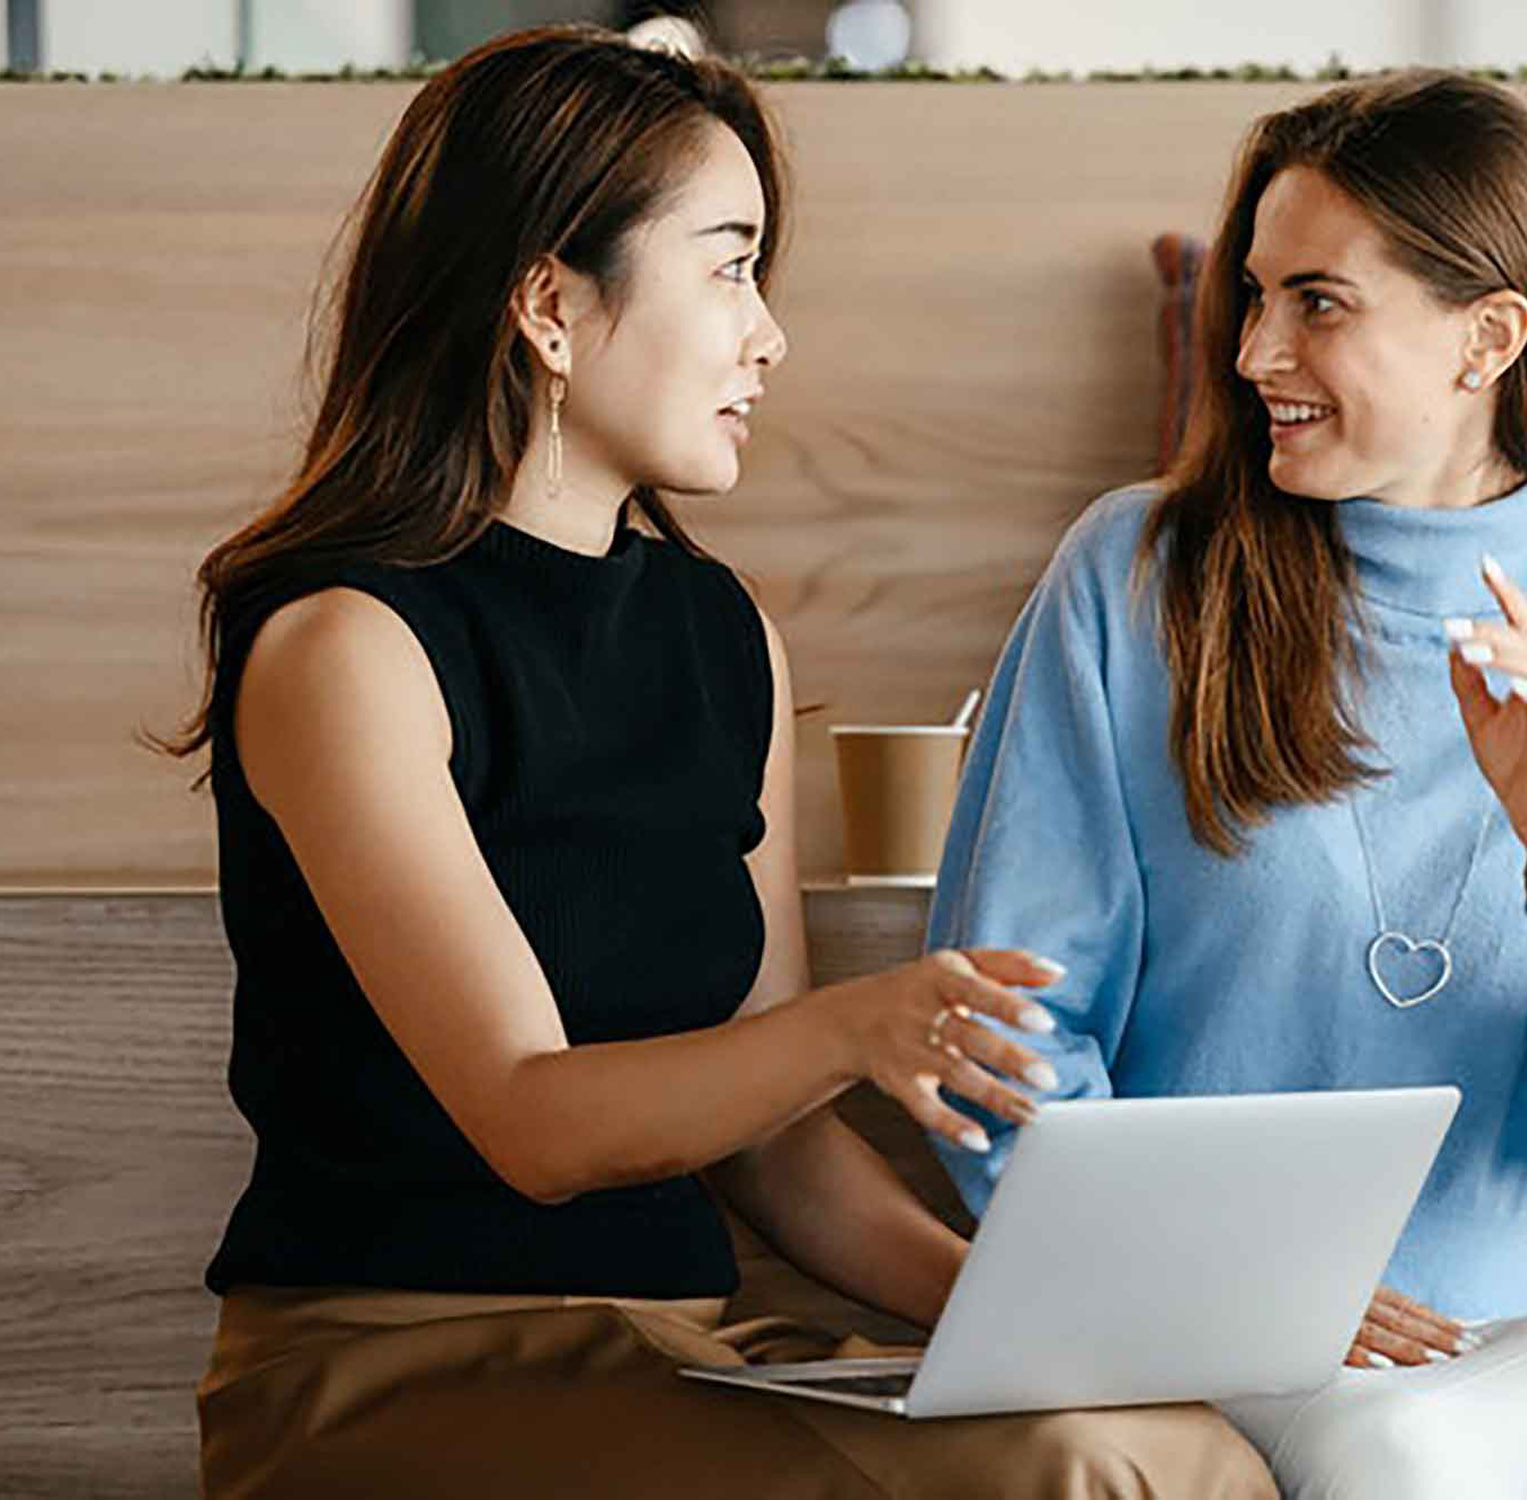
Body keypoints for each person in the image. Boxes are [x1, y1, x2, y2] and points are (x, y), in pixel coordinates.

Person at [152, 25, 1276, 1499]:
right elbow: (532, 1119)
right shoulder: (345, 647)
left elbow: (778, 1154)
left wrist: (1064, 1330)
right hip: (387, 1366)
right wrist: (858, 1028)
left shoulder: (721, 632)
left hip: (676, 1352)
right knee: (1070, 1476)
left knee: (1179, 1448)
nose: (771, 335)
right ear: (551, 305)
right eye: (729, 264)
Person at [927, 71, 1527, 1500]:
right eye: (1251, 297)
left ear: (1489, 338)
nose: (1257, 349)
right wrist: (1233, 1293)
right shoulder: (1138, 576)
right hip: (1175, 1333)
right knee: (1407, 1448)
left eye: (1317, 302)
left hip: (1469, 1339)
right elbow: (997, 1047)